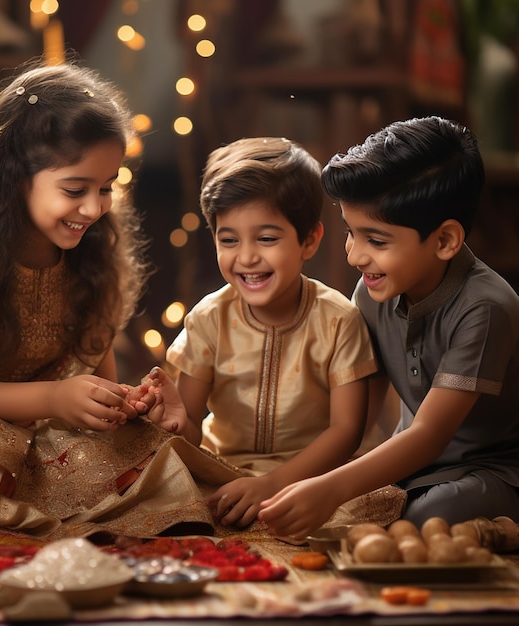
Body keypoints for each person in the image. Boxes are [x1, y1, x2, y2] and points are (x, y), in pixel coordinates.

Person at [0, 60, 239, 540]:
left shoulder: (94, 259)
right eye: (75, 189)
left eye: (105, 188)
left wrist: (129, 405)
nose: (95, 208)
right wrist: (54, 397)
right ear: (14, 176)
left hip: (49, 435)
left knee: (146, 452)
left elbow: (98, 387)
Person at [258, 116, 519, 538]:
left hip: (490, 472)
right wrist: (289, 478)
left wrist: (329, 490)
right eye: (351, 233)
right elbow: (358, 417)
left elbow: (430, 435)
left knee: (424, 519)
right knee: (362, 507)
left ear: (445, 241)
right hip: (410, 470)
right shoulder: (372, 292)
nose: (354, 257)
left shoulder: (486, 307)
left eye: (376, 241)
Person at [158, 136, 381, 529]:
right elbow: (190, 425)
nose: (246, 257)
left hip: (310, 479)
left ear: (309, 240)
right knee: (155, 498)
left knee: (366, 511)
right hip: (220, 472)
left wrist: (271, 485)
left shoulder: (338, 320)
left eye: (266, 238)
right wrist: (176, 423)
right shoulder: (208, 318)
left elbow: (346, 432)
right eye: (229, 240)